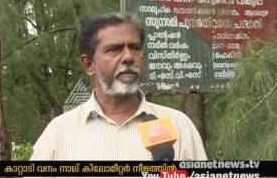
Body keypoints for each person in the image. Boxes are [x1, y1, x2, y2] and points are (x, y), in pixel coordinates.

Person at [30, 13, 207, 160]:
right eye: (114, 49)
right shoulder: (58, 133)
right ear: (89, 65)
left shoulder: (178, 124)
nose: (128, 57)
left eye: (135, 48)